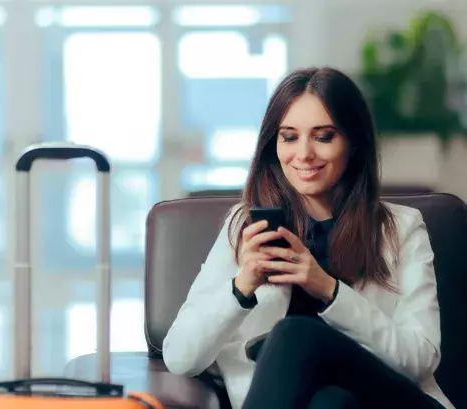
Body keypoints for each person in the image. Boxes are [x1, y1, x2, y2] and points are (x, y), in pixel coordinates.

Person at [161, 67, 454, 409]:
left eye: (324, 136)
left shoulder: (402, 228)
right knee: (331, 403)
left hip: (397, 402)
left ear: (353, 143)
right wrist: (242, 286)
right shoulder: (244, 229)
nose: (304, 154)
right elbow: (180, 358)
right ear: (274, 145)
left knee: (293, 335)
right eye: (289, 137)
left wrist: (328, 291)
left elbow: (420, 359)